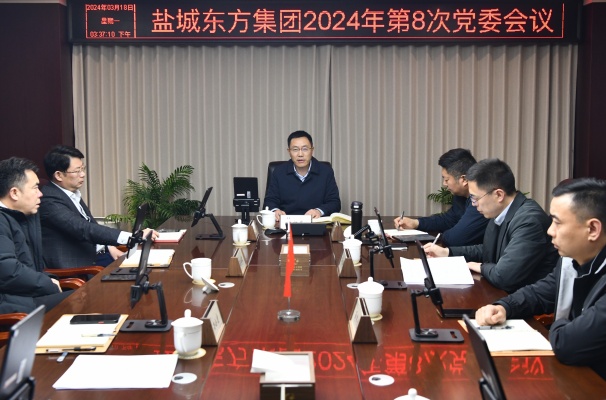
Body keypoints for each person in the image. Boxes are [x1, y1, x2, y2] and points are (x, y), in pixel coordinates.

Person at [476, 178, 606, 380]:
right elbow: (541, 292)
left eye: (558, 222)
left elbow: (566, 344)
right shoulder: (571, 260)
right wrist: (504, 307)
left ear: (593, 229)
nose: (550, 231)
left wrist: (561, 322)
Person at [424, 158, 558, 293]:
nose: (474, 204)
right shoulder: (501, 211)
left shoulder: (529, 221)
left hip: (525, 299)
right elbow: (488, 250)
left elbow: (504, 276)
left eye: (475, 198)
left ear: (499, 195)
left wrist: (477, 266)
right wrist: (447, 252)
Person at [39, 145, 157, 268]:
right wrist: (133, 237)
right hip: (81, 267)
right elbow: (83, 228)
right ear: (58, 175)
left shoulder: (70, 192)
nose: (83, 174)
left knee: (149, 264)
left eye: (83, 168)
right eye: (77, 171)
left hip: (97, 255)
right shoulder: (49, 200)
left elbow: (91, 224)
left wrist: (108, 247)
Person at [0, 157, 72, 313]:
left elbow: (31, 267)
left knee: (88, 296)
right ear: (14, 193)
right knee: (84, 299)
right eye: (35, 188)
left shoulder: (22, 216)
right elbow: (7, 270)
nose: (40, 194)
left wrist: (49, 279)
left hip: (25, 296)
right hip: (13, 306)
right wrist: (48, 284)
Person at [394, 148, 488, 246]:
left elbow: (456, 239)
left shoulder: (481, 201)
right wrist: (415, 223)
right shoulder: (461, 195)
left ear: (464, 179)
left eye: (446, 179)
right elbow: (448, 220)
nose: (444, 184)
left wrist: (439, 236)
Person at [263, 130, 341, 220]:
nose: (300, 154)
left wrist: (319, 211)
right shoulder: (279, 171)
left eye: (305, 149)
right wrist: (275, 211)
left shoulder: (325, 171)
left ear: (312, 150)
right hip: (286, 223)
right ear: (289, 151)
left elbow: (334, 203)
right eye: (295, 149)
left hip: (315, 222)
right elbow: (269, 201)